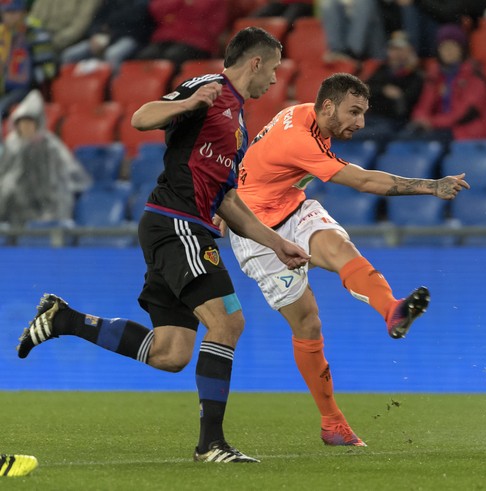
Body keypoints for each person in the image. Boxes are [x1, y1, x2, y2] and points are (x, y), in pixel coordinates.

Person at [16, 27, 311, 464]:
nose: (274, 79)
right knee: (228, 323)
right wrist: (188, 103)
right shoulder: (209, 89)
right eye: (273, 68)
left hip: (177, 227)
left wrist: (275, 242)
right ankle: (211, 445)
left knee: (171, 354)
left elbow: (228, 200)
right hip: (178, 225)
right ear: (256, 62)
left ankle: (66, 320)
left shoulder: (238, 121)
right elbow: (141, 117)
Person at [228, 73, 470, 446]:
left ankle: (392, 309)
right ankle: (332, 422)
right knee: (307, 324)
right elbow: (363, 182)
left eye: (363, 113)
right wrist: (430, 186)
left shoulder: (306, 116)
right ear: (328, 107)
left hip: (290, 206)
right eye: (354, 112)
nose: (360, 122)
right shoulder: (299, 138)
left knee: (342, 250)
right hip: (256, 232)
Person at [0, 90, 92, 225]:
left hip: (46, 206)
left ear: (37, 123)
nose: (25, 127)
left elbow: (65, 177)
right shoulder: (11, 145)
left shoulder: (51, 146)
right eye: (22, 123)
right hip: (16, 207)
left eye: (29, 123)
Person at [404, 24, 486, 143]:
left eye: (452, 47)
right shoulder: (435, 74)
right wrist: (420, 119)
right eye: (444, 47)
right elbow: (424, 104)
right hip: (439, 127)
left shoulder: (475, 75)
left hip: (467, 131)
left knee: (416, 141)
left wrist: (432, 122)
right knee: (402, 138)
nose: (448, 52)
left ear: (461, 49)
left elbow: (465, 113)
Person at [354, 33, 424, 144]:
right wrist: (383, 89)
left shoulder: (415, 76)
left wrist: (397, 95)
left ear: (408, 52)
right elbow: (364, 90)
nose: (395, 54)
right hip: (372, 116)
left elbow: (404, 106)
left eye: (400, 50)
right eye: (393, 49)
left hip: (393, 123)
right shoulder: (382, 69)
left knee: (362, 133)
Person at [60, 0, 155, 73]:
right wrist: (95, 34)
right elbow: (97, 19)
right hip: (105, 36)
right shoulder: (109, 1)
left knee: (113, 54)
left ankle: (111, 91)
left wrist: (110, 28)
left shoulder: (141, 1)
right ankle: (70, 91)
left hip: (132, 37)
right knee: (69, 55)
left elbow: (136, 18)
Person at [0, 0, 56, 118]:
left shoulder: (35, 32)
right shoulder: (2, 32)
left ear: (23, 12)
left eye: (13, 12)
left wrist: (29, 76)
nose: (8, 17)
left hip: (26, 89)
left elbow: (49, 69)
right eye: (6, 12)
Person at [136, 0, 226, 68]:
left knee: (174, 56)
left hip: (197, 42)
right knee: (146, 56)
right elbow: (156, 10)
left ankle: (173, 90)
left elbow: (216, 25)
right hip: (166, 38)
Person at [29, 0, 101, 52]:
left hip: (72, 42)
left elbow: (79, 27)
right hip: (42, 40)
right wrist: (34, 37)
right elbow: (34, 19)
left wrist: (53, 42)